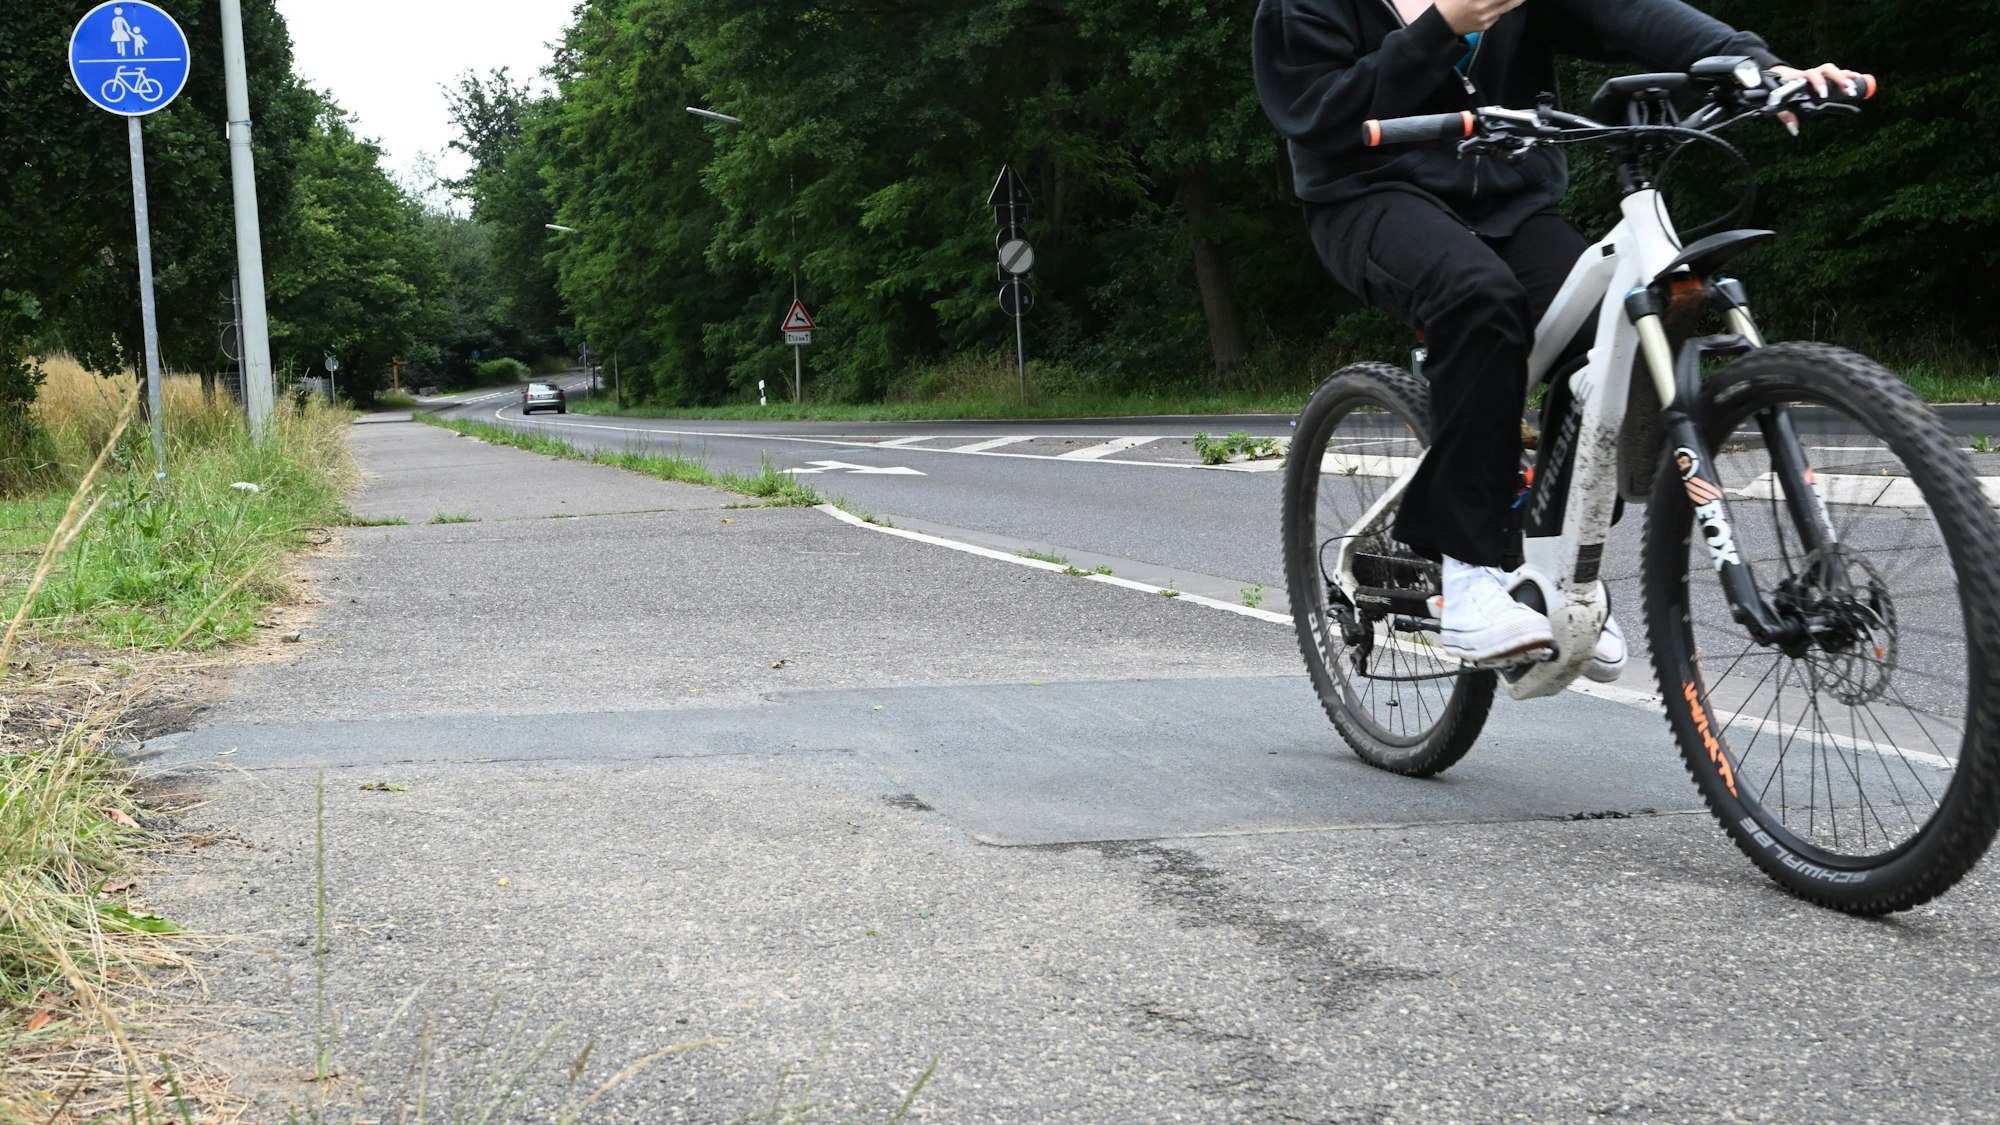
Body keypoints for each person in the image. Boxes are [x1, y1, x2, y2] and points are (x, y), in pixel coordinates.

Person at [1253, 0, 1857, 676]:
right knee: (1479, 298)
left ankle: (1554, 572)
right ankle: (1470, 574)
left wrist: (1756, 63)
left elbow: (1628, 14)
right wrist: (1441, 28)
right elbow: (1315, 112)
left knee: (1612, 321)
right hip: (1365, 196)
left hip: (1507, 198)